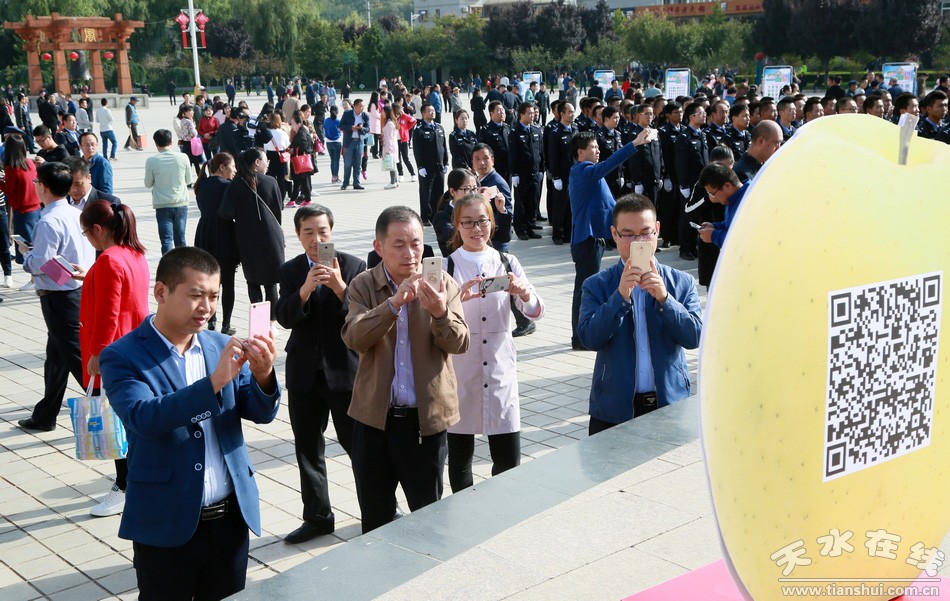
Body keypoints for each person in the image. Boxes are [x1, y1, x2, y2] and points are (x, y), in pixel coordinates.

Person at [99, 246, 280, 600]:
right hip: (166, 523)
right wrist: (213, 383)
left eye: (214, 296)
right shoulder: (122, 355)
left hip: (230, 520)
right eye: (196, 295)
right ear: (161, 292)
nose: (206, 307)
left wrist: (263, 375)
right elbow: (144, 416)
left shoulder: (220, 345)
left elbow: (261, 412)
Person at [341, 206, 469, 534]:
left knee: (428, 520)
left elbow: (460, 342)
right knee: (375, 520)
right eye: (398, 245)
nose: (410, 254)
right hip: (374, 420)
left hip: (424, 422)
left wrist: (440, 312)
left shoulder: (443, 284)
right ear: (378, 247)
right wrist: (393, 304)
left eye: (416, 243)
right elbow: (354, 336)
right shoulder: (363, 285)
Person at [276, 205, 365, 544]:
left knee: (360, 446)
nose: (316, 239)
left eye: (322, 231)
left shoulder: (354, 266)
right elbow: (284, 317)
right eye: (309, 232)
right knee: (308, 449)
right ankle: (317, 517)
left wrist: (342, 288)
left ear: (332, 231)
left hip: (344, 371)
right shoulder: (290, 270)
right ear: (298, 236)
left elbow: (364, 316)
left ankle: (378, 506)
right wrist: (304, 290)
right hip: (304, 372)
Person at [444, 193, 544, 492]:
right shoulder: (447, 266)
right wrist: (457, 299)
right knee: (460, 458)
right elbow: (430, 319)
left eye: (482, 221)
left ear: (492, 222)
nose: (476, 229)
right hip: (460, 369)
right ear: (457, 225)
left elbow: (536, 310)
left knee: (508, 457)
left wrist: (523, 293)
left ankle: (501, 507)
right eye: (468, 222)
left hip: (500, 367)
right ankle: (464, 510)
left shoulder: (506, 261)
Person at [578, 195, 702, 434]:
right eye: (628, 235)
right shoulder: (596, 285)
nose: (638, 242)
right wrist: (620, 297)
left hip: (670, 403)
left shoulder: (682, 282)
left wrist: (665, 299)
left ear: (657, 230)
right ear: (614, 234)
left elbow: (695, 337)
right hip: (613, 408)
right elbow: (589, 338)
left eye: (645, 233)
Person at [72, 197, 150, 517]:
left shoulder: (108, 261)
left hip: (114, 352)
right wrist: (89, 277)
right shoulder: (134, 253)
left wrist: (97, 355)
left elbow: (108, 314)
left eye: (86, 233)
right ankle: (134, 480)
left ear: (98, 229)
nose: (87, 239)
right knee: (129, 420)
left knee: (115, 423)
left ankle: (124, 485)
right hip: (136, 347)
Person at [16, 162, 96, 431]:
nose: (35, 186)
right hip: (75, 291)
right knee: (57, 359)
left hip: (60, 299)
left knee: (76, 359)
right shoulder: (75, 213)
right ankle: (45, 415)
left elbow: (41, 262)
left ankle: (114, 407)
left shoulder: (48, 220)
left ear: (44, 187)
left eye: (37, 182)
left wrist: (27, 257)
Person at [568, 127, 656, 351]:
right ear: (580, 152)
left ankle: (583, 332)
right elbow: (608, 165)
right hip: (586, 239)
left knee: (587, 285)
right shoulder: (584, 170)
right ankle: (580, 335)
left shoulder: (588, 172)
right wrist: (634, 144)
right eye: (593, 147)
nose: (598, 151)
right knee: (585, 288)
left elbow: (606, 205)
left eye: (598, 146)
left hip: (594, 237)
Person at [219, 148, 285, 319]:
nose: (267, 164)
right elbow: (278, 209)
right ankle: (272, 322)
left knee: (253, 280)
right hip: (270, 235)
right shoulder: (271, 181)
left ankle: (258, 321)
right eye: (265, 160)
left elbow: (226, 212)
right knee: (271, 283)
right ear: (257, 162)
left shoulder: (236, 184)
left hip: (246, 237)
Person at [194, 153, 240, 335]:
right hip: (224, 233)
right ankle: (226, 324)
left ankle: (211, 320)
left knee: (209, 280)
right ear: (222, 167)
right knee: (228, 282)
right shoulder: (228, 186)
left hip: (205, 233)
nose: (234, 170)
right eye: (232, 166)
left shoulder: (201, 185)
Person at [145, 129, 195, 255]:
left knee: (166, 240)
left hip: (162, 204)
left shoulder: (152, 160)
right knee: (180, 238)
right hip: (180, 203)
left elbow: (148, 184)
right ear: (171, 141)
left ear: (156, 143)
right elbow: (189, 180)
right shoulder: (183, 157)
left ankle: (167, 265)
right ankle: (182, 264)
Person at [2, 136, 43, 274]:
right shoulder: (29, 163)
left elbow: (9, 190)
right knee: (35, 244)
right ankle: (35, 277)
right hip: (36, 208)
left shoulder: (12, 168)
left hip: (22, 211)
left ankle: (34, 276)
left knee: (26, 248)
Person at [508, 102, 544, 241]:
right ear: (521, 114)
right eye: (529, 113)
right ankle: (520, 229)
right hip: (521, 174)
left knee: (532, 202)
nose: (533, 115)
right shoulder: (515, 132)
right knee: (521, 203)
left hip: (535, 172)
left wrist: (541, 169)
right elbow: (513, 154)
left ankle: (530, 227)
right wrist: (514, 174)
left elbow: (540, 152)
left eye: (533, 113)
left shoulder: (536, 130)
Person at [697, 162, 748, 251]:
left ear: (727, 186)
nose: (713, 198)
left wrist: (714, 236)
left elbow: (744, 242)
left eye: (713, 193)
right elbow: (732, 226)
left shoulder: (747, 201)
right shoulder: (732, 199)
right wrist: (715, 226)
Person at [412, 104, 449, 225]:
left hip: (439, 166)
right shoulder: (419, 130)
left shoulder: (439, 127)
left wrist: (446, 162)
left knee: (439, 192)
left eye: (433, 110)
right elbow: (417, 150)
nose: (433, 113)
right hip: (427, 167)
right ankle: (425, 217)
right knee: (426, 192)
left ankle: (436, 215)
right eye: (429, 111)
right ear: (423, 113)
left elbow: (444, 146)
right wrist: (420, 166)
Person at [545, 102, 575, 246]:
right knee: (560, 206)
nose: (572, 114)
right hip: (561, 176)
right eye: (570, 112)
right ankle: (557, 234)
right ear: (562, 114)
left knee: (570, 206)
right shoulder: (555, 132)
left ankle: (568, 233)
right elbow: (553, 156)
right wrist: (556, 176)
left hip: (573, 175)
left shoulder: (575, 129)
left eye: (573, 111)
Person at [476, 101, 511, 182]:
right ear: (491, 113)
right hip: (494, 169)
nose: (502, 112)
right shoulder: (486, 130)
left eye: (503, 110)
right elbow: (482, 151)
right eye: (498, 110)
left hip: (508, 168)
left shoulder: (507, 128)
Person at [262, 113, 291, 206]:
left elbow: (264, 146)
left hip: (270, 156)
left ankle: (271, 201)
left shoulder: (267, 132)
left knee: (270, 179)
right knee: (281, 180)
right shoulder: (283, 133)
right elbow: (287, 145)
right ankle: (281, 202)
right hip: (281, 156)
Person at [289, 110, 316, 204]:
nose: (291, 126)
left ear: (298, 124)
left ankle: (307, 200)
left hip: (302, 160)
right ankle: (294, 200)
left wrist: (295, 149)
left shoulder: (302, 132)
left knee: (304, 181)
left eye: (293, 124)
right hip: (301, 160)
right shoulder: (300, 131)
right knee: (299, 181)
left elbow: (305, 145)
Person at [339, 98, 367, 190]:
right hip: (349, 141)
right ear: (355, 106)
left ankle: (356, 183)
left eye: (363, 106)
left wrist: (361, 128)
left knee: (358, 164)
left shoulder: (365, 115)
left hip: (359, 142)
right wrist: (351, 128)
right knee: (347, 164)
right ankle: (345, 183)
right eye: (360, 106)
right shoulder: (347, 114)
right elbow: (341, 126)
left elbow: (368, 128)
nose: (362, 108)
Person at [380, 105, 399, 190]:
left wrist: (388, 150)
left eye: (383, 111)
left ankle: (392, 182)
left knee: (391, 164)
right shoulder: (392, 122)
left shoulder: (389, 124)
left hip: (390, 146)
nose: (382, 113)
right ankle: (395, 181)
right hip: (393, 145)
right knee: (393, 164)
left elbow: (388, 138)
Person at [324, 105, 343, 184]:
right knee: (336, 160)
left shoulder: (326, 121)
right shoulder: (338, 121)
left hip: (328, 141)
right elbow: (341, 130)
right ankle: (335, 176)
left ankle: (333, 176)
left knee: (332, 160)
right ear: (337, 112)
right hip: (337, 141)